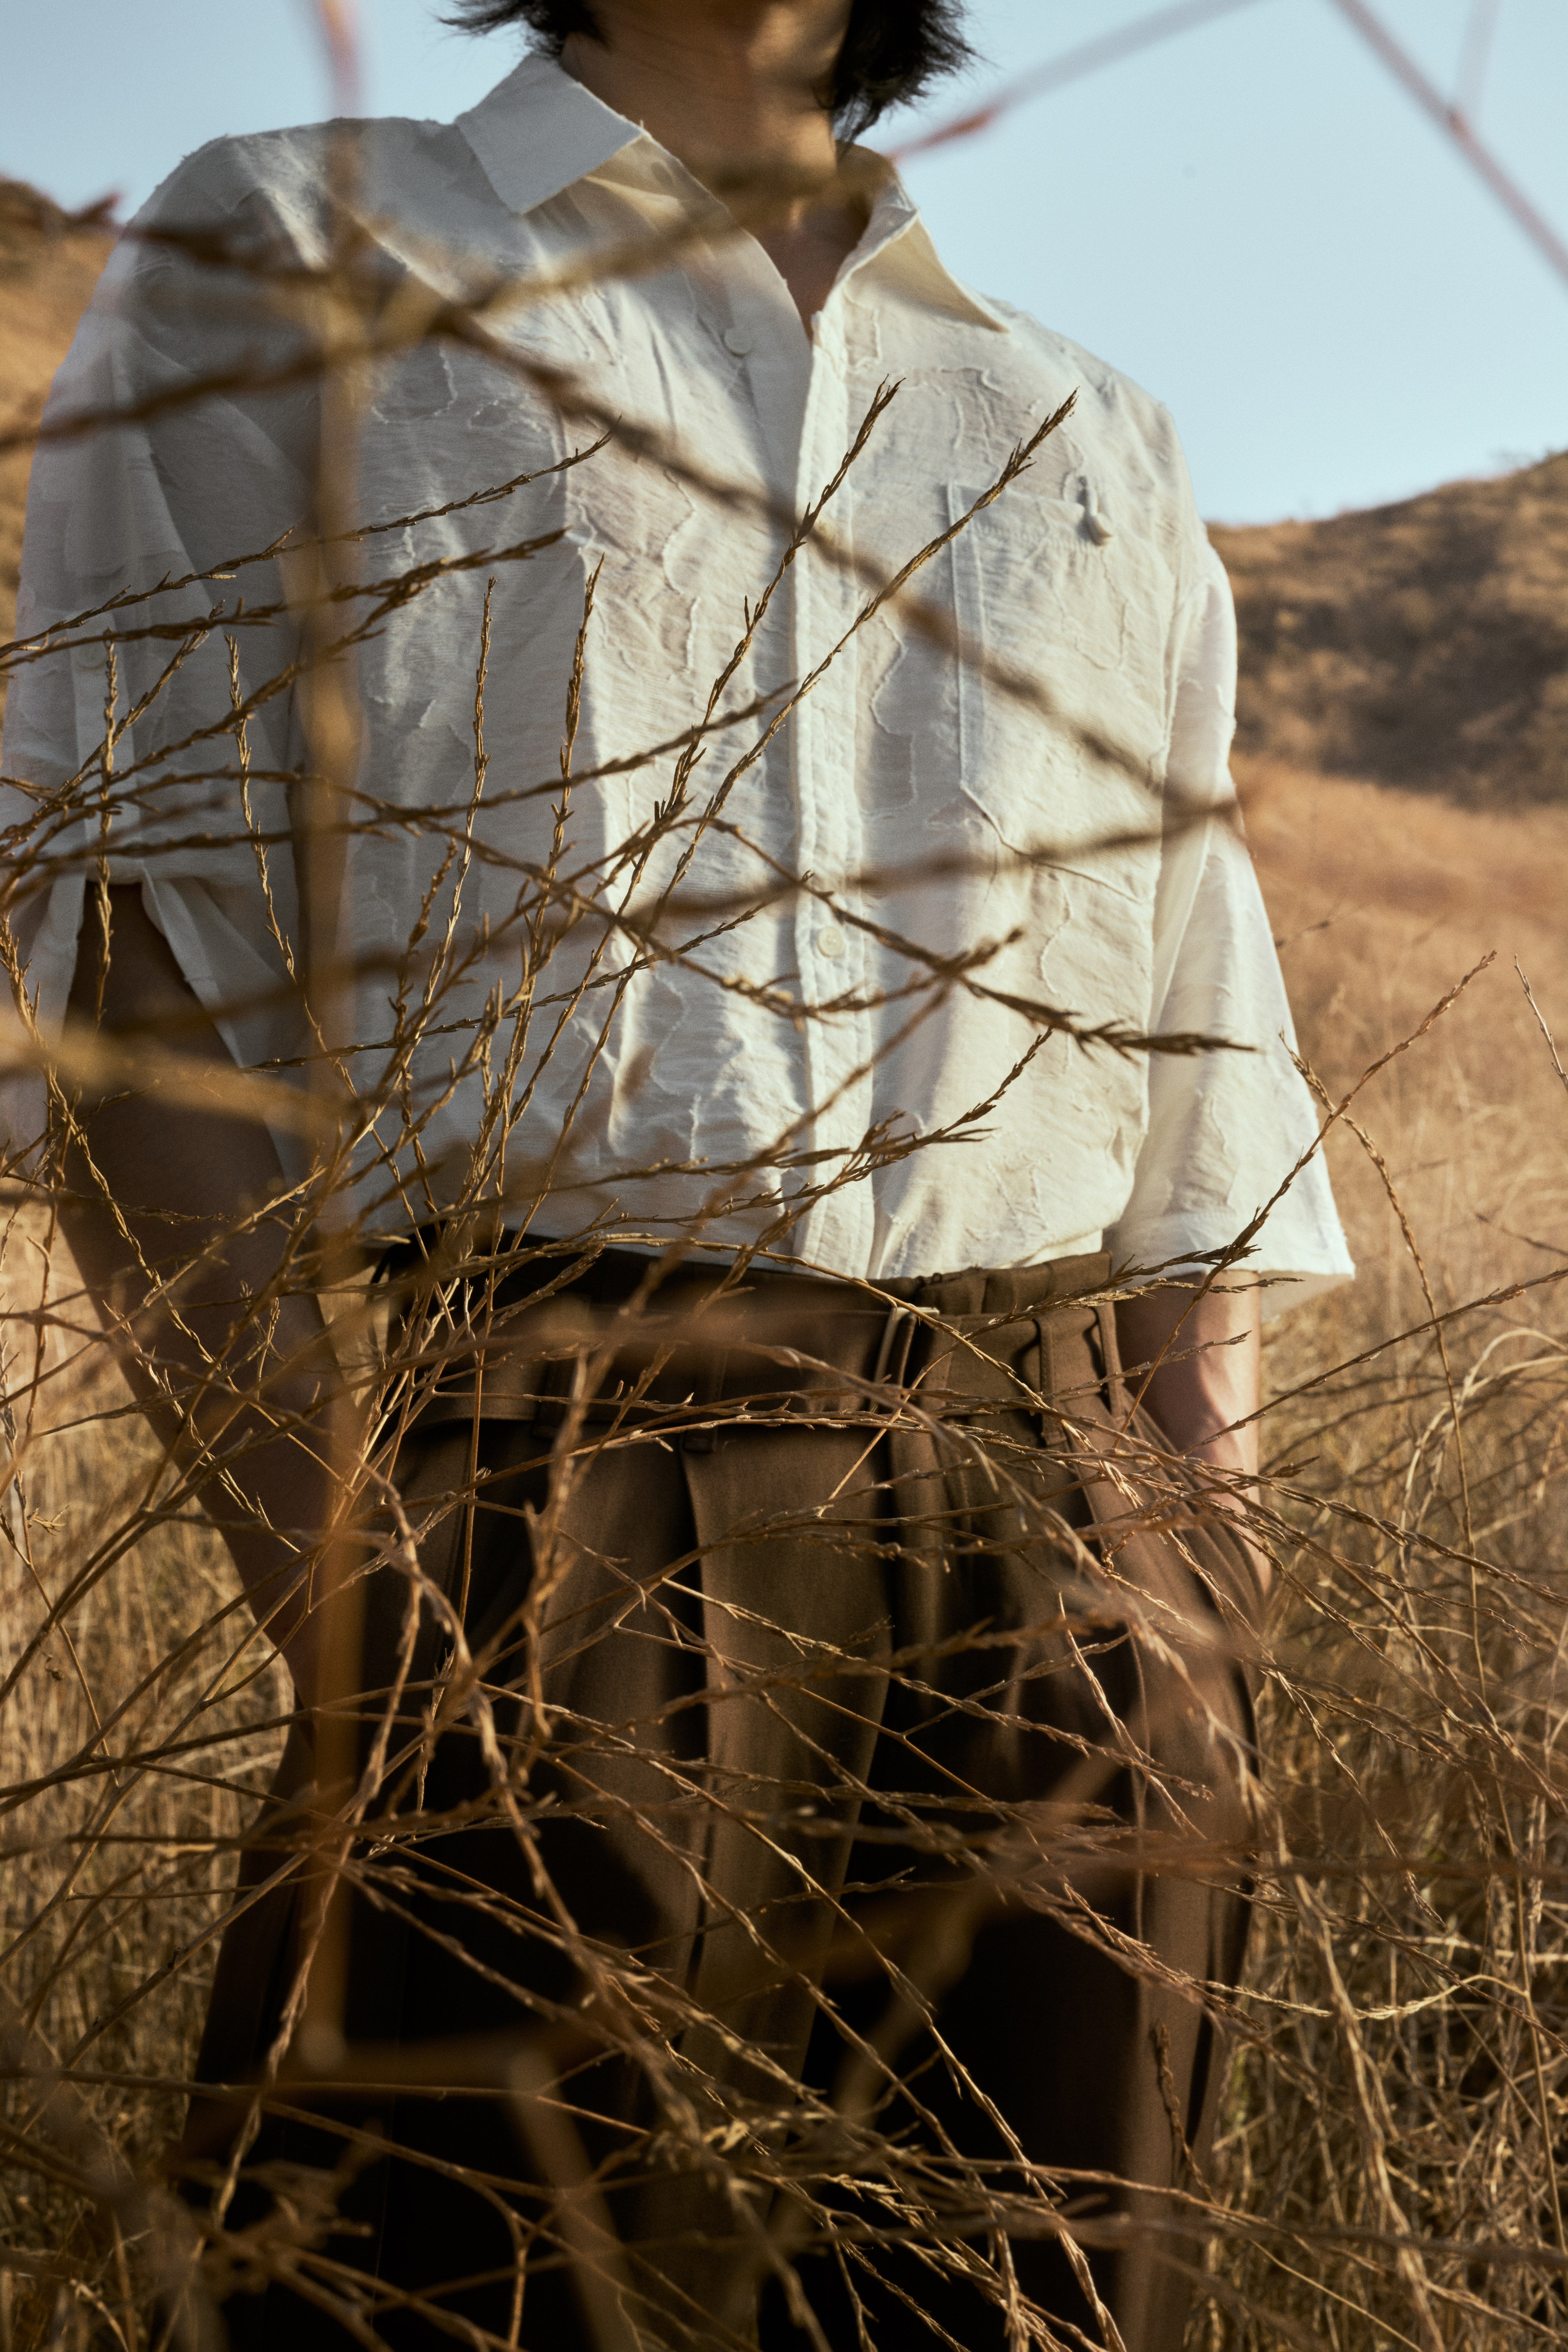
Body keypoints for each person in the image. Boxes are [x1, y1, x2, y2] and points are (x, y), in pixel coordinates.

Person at [1, 3, 1352, 2346]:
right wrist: (377, 1628)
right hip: (528, 1494)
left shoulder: (1081, 426)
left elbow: (1194, 1044)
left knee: (1010, 2309)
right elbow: (127, 946)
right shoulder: (294, 251)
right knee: (449, 2290)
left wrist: (1197, 1623)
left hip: (1043, 1529)